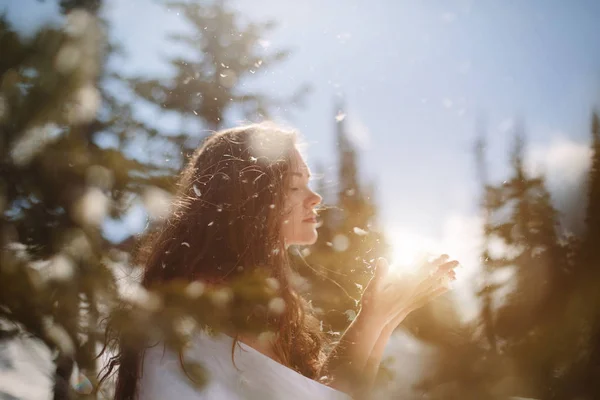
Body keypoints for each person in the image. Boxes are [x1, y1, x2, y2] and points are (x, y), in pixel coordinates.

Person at [103, 122, 458, 399]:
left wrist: (385, 314)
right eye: (295, 186)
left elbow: (323, 392)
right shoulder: (221, 292)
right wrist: (375, 316)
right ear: (250, 198)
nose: (316, 198)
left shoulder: (215, 282)